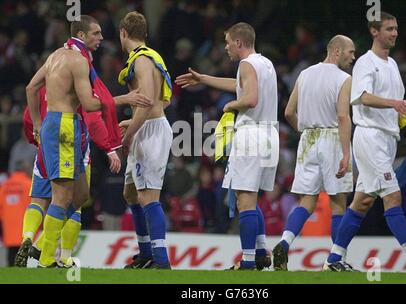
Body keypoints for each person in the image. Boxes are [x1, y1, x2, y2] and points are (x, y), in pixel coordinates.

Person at [15, 15, 152, 268]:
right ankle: (47, 260)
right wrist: (124, 99)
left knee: (81, 195)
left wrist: (36, 122)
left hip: (53, 125)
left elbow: (30, 88)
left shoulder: (55, 56)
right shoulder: (79, 61)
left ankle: (36, 245)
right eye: (96, 34)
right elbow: (89, 105)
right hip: (66, 126)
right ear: (82, 35)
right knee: (63, 196)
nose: (101, 38)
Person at [324, 12, 406, 272]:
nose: (394, 33)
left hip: (387, 138)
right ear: (374, 31)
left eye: (396, 29)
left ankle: (333, 259)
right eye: (389, 28)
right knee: (393, 195)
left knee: (362, 202)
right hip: (370, 136)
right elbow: (362, 96)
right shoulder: (366, 63)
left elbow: (394, 107)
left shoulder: (391, 65)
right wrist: (396, 104)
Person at [176, 22, 278, 270]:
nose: (226, 47)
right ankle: (262, 251)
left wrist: (231, 106)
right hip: (269, 134)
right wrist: (204, 79)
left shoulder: (246, 64)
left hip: (251, 135)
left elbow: (250, 98)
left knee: (244, 200)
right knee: (251, 198)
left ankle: (247, 263)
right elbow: (240, 86)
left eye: (227, 42)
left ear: (238, 43)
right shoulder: (265, 63)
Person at [272, 35, 355, 271]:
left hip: (308, 139)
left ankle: (284, 243)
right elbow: (342, 116)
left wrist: (305, 128)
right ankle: (336, 260)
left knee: (306, 200)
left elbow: (288, 111)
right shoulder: (344, 79)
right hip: (332, 138)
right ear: (336, 51)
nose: (353, 57)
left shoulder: (305, 73)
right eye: (350, 52)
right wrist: (346, 152)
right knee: (338, 202)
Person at [118, 11, 173, 269]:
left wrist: (129, 135)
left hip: (150, 130)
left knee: (148, 196)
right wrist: (132, 123)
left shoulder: (141, 60)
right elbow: (154, 102)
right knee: (130, 193)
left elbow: (149, 101)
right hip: (145, 126)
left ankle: (161, 260)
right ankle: (146, 252)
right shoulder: (150, 57)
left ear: (123, 33)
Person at [0, 161, 32, 266]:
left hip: (8, 229)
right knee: (23, 259)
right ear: (25, 170)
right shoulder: (28, 184)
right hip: (25, 229)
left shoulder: (4, 186)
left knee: (10, 259)